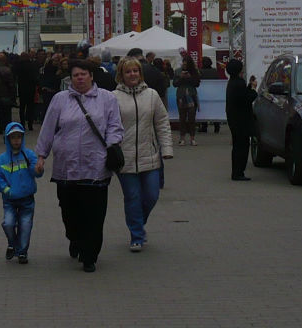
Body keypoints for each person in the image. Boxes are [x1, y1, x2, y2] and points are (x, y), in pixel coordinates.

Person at [35, 58, 124, 272]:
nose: (80, 78)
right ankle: (74, 237)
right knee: (69, 212)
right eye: (76, 75)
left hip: (96, 166)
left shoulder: (107, 99)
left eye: (84, 73)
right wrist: (41, 155)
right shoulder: (60, 100)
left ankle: (89, 255)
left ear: (91, 76)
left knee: (94, 214)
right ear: (71, 79)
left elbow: (115, 126)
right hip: (67, 167)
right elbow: (48, 128)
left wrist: (112, 146)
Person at [113, 57, 173, 252]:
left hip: (150, 155)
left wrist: (167, 149)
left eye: (135, 71)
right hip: (125, 158)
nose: (133, 75)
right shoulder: (113, 97)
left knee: (152, 195)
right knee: (132, 197)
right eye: (128, 72)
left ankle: (137, 221)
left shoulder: (152, 95)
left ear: (140, 73)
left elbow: (162, 123)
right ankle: (136, 235)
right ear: (121, 75)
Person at [0, 121, 44, 265]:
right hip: (9, 199)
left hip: (27, 198)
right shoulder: (1, 159)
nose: (16, 140)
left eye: (19, 137)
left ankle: (22, 252)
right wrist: (7, 190)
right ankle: (12, 243)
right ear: (8, 139)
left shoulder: (28, 155)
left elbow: (36, 172)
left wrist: (39, 170)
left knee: (25, 225)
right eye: (13, 137)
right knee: (8, 223)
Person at [224, 57, 257, 181]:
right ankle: (238, 172)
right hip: (241, 119)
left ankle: (237, 171)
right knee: (242, 146)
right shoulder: (238, 83)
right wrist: (253, 89)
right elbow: (246, 99)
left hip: (234, 118)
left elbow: (241, 95)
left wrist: (248, 87)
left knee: (238, 145)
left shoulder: (233, 82)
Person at [174, 54, 201, 147]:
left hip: (191, 95)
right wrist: (181, 77)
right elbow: (175, 84)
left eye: (186, 64)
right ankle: (182, 138)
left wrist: (190, 77)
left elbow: (197, 84)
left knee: (192, 118)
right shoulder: (177, 71)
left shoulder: (194, 72)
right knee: (182, 118)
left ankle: (192, 138)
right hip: (181, 96)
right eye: (183, 64)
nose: (184, 65)